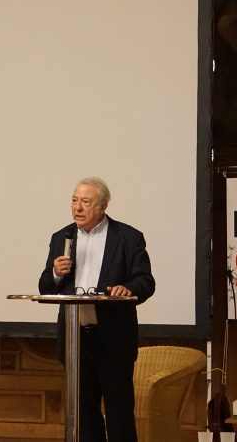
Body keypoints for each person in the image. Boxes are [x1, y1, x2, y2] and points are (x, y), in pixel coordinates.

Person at [38, 177, 155, 442]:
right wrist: (56, 273)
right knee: (83, 414)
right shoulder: (62, 237)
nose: (77, 208)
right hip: (75, 341)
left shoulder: (128, 237)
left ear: (102, 206)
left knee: (119, 413)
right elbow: (46, 286)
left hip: (112, 338)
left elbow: (145, 281)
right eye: (74, 200)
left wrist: (128, 288)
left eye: (85, 202)